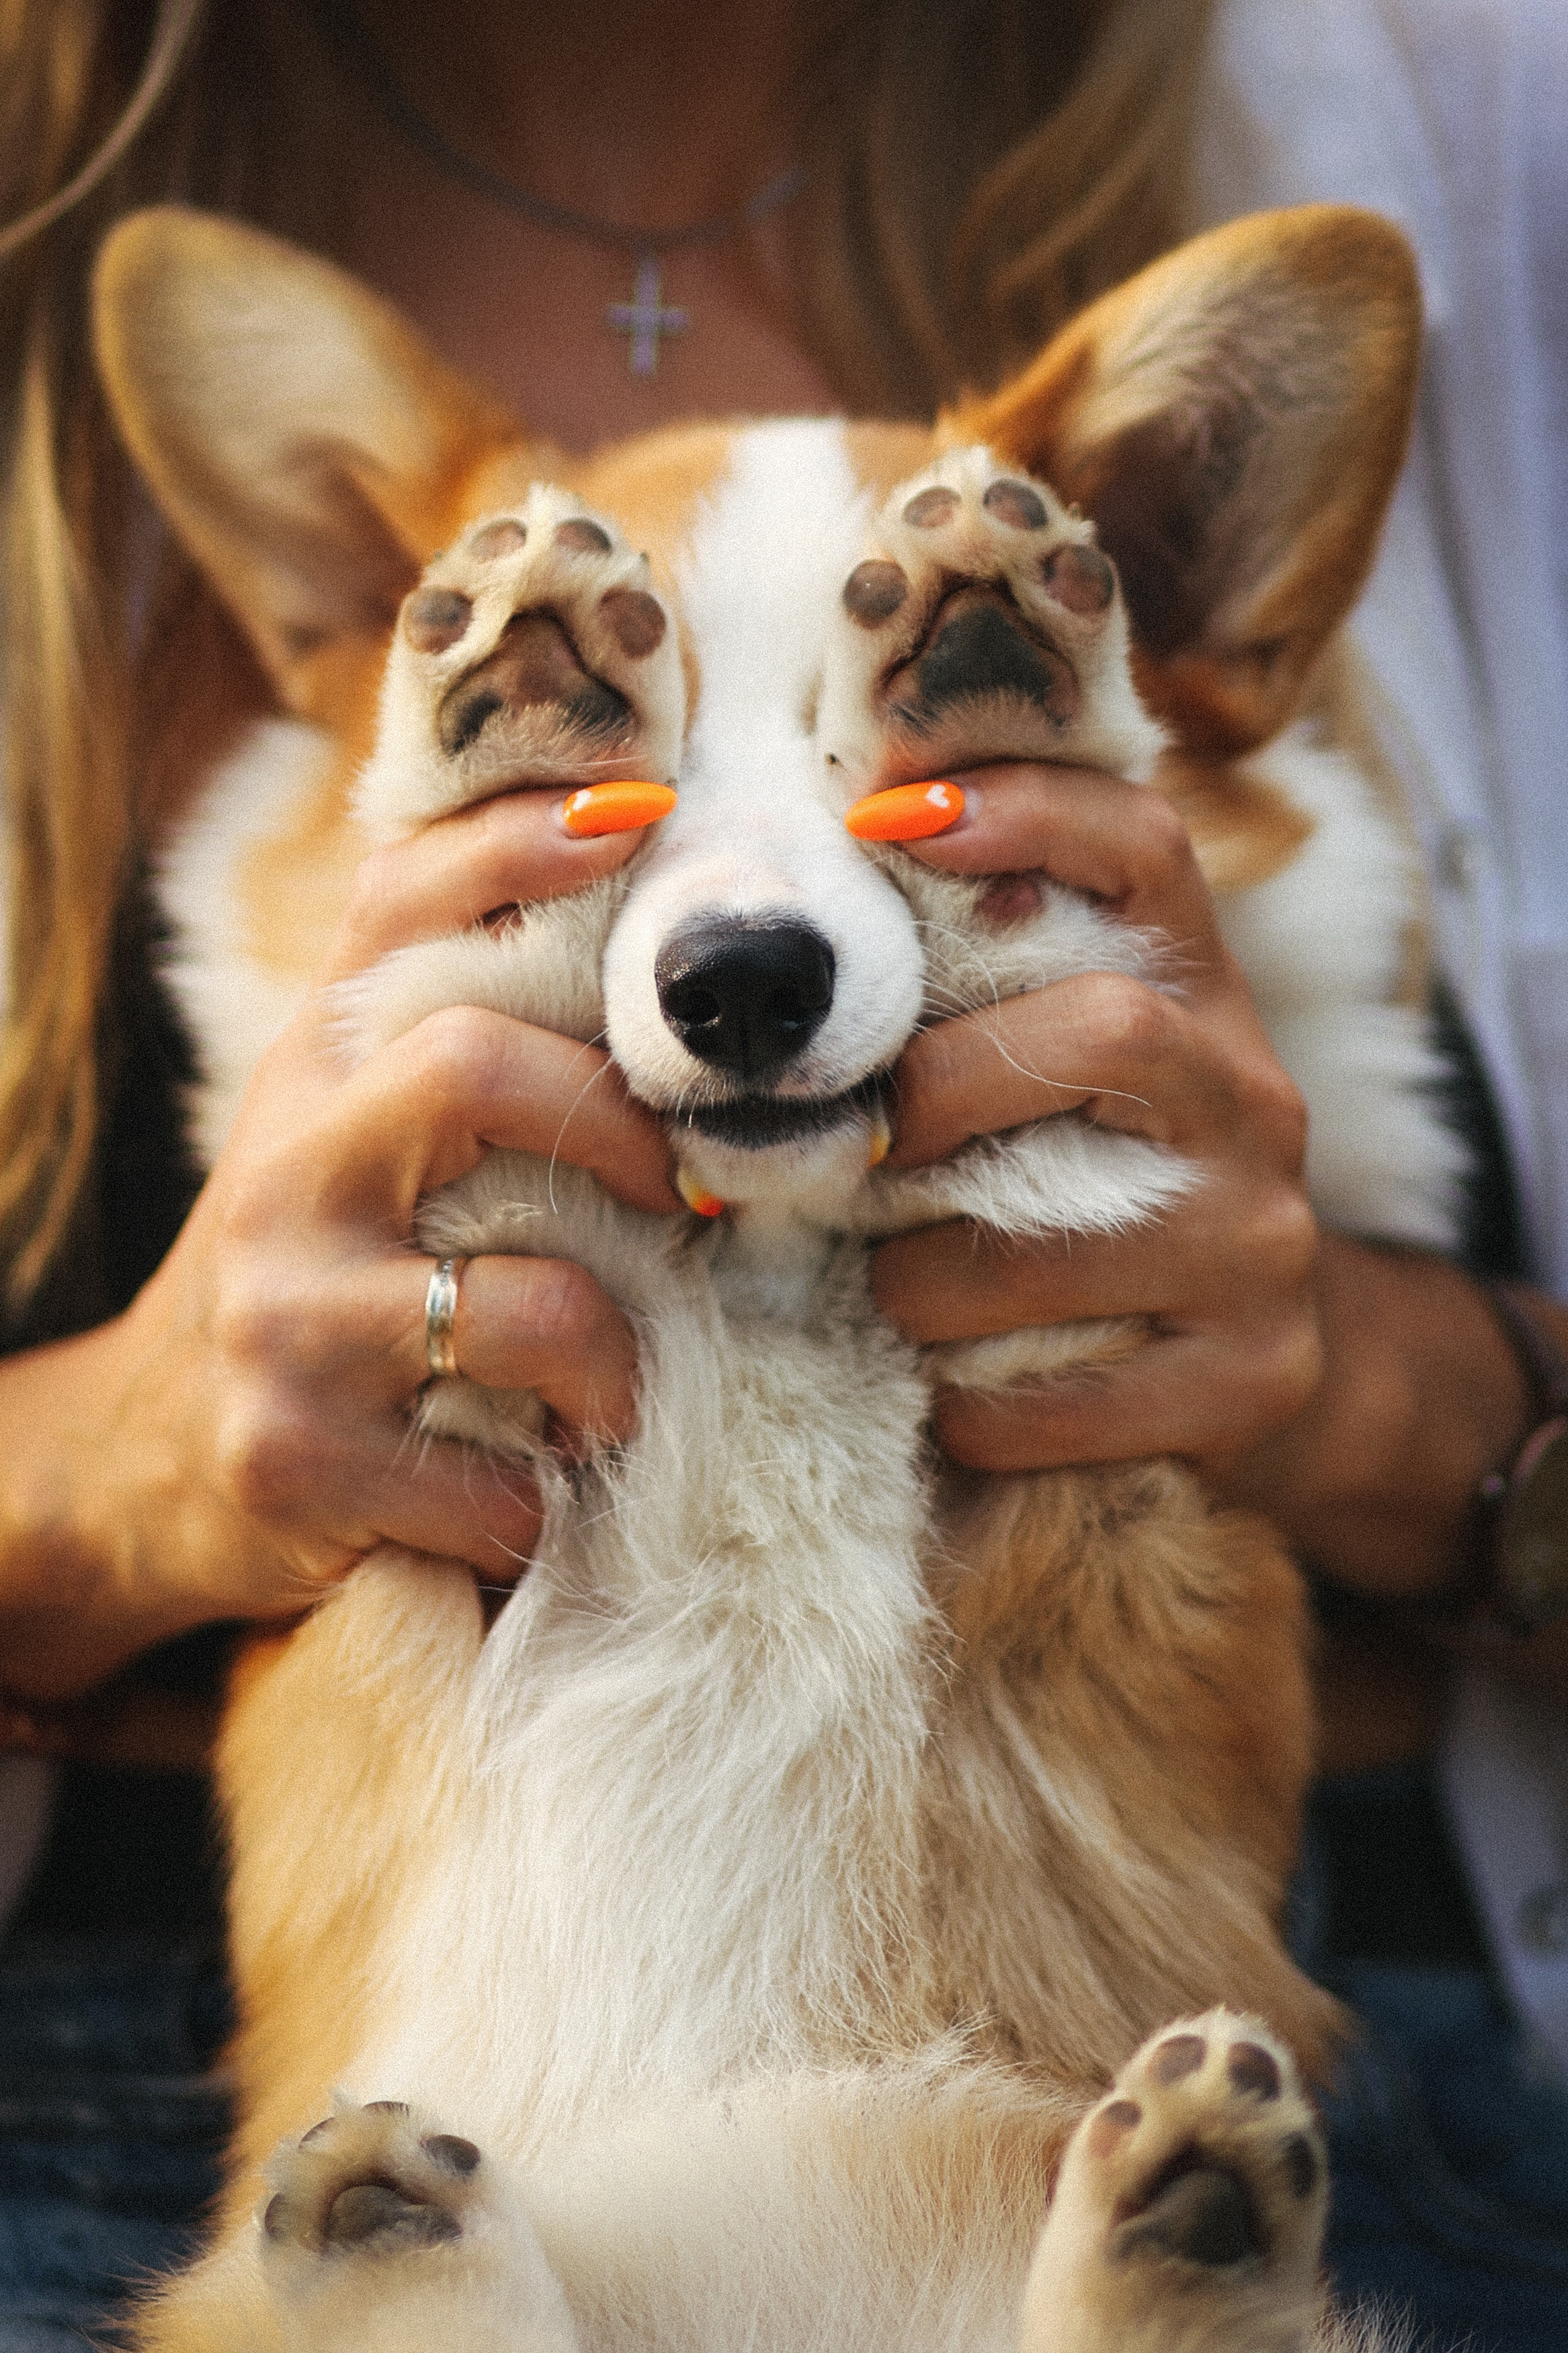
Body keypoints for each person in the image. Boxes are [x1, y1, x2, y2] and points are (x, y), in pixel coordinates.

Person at [0, 0, 1563, 2346]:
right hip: (207, 2126)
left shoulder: (1489, 110)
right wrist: (96, 1474)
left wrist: (1394, 1398)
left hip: (1264, 2095)